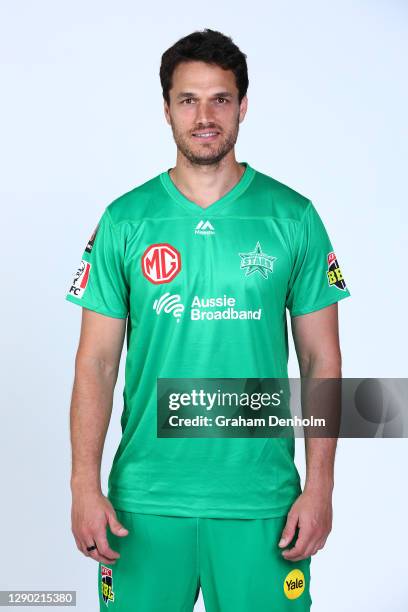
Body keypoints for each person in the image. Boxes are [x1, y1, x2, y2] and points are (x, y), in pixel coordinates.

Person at [66, 28, 350, 612]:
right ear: (166, 109)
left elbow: (322, 359)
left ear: (242, 106)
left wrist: (320, 486)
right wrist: (83, 485)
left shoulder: (292, 217)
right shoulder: (125, 220)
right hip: (143, 503)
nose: (204, 115)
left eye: (220, 99)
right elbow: (96, 361)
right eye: (187, 99)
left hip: (261, 503)